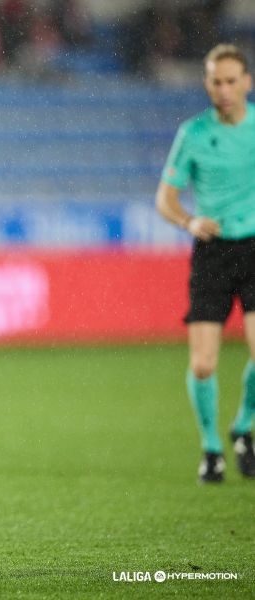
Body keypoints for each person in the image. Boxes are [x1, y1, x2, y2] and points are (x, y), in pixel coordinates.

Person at [156, 43, 255, 484]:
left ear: (247, 82)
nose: (224, 89)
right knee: (203, 364)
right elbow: (165, 199)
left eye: (232, 80)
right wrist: (189, 220)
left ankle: (243, 426)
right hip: (212, 252)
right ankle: (212, 448)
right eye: (216, 81)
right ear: (207, 84)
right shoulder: (193, 133)